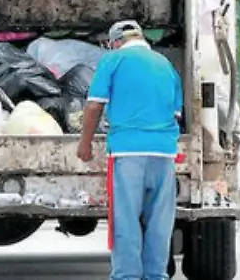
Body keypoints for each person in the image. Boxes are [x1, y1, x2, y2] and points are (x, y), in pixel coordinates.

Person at [77, 20, 182, 280]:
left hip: (127, 153)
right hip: (164, 153)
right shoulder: (166, 66)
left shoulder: (112, 61)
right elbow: (176, 114)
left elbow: (93, 106)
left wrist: (84, 143)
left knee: (125, 218)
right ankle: (156, 275)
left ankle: (127, 276)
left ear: (115, 42)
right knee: (159, 221)